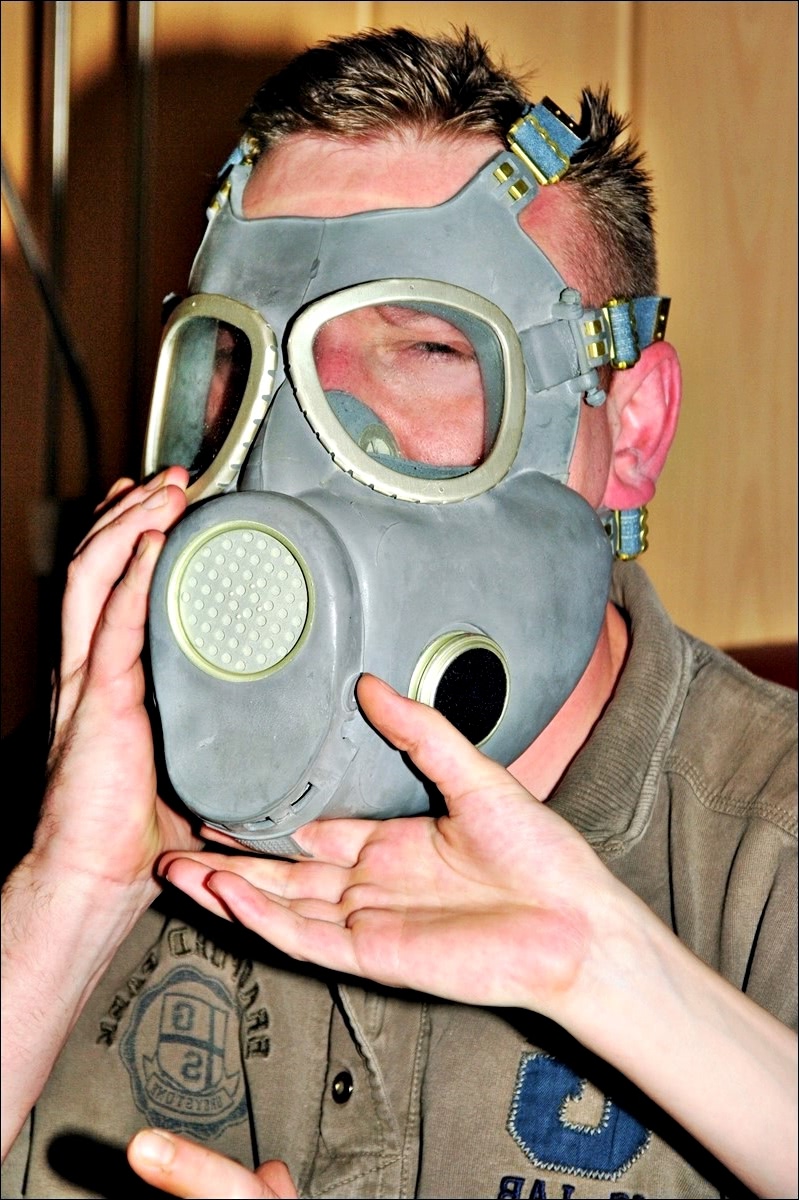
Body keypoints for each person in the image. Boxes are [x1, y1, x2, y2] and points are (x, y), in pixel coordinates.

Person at [2, 27, 796, 1200]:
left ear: (628, 432)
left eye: (423, 346)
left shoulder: (766, 847)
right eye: (245, 359)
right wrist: (68, 899)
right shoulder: (71, 814)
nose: (291, 448)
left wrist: (615, 977)